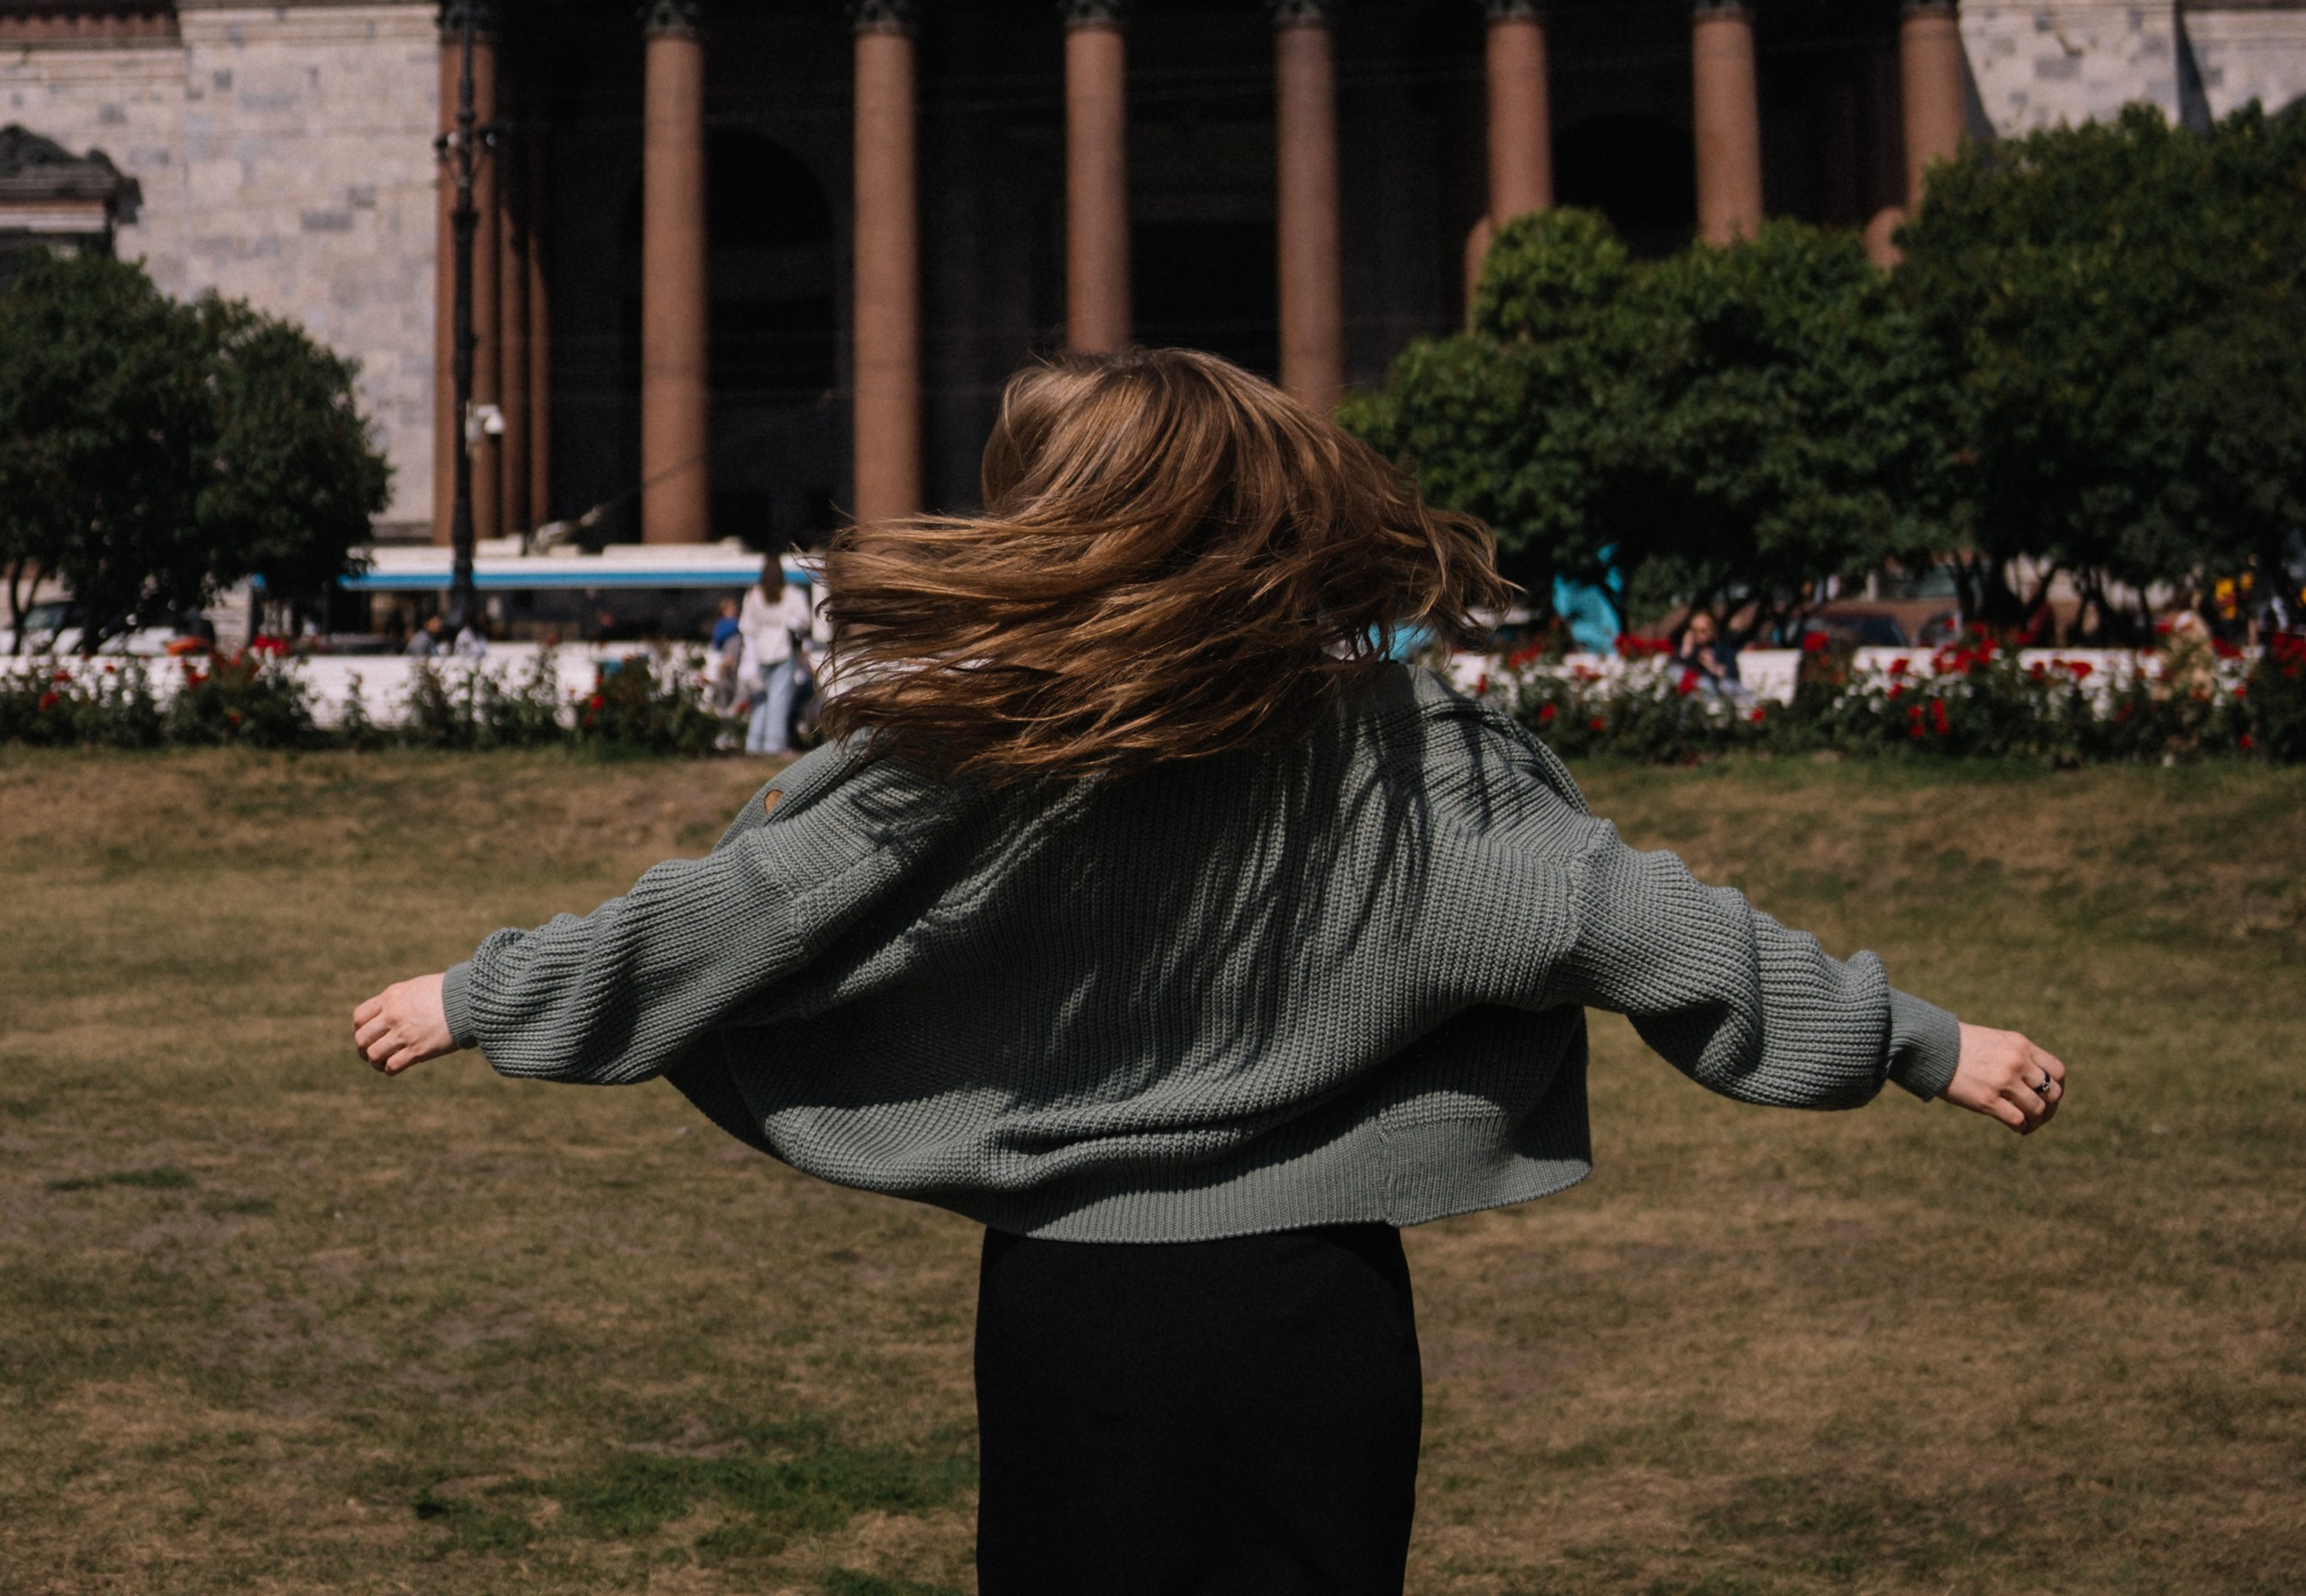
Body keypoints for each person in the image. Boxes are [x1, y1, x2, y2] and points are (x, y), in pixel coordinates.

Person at [353, 349, 2066, 1596]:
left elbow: (738, 910)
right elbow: (1652, 926)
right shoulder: (1407, 756)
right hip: (1313, 1310)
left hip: (1074, 1312)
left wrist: (486, 997)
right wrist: (1916, 1040)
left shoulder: (980, 754)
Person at [736, 551, 813, 757]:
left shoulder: (753, 595)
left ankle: (754, 744)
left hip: (758, 651)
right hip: (783, 650)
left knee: (761, 700)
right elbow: (804, 621)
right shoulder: (792, 594)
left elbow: (746, 627)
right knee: (779, 699)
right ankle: (774, 745)